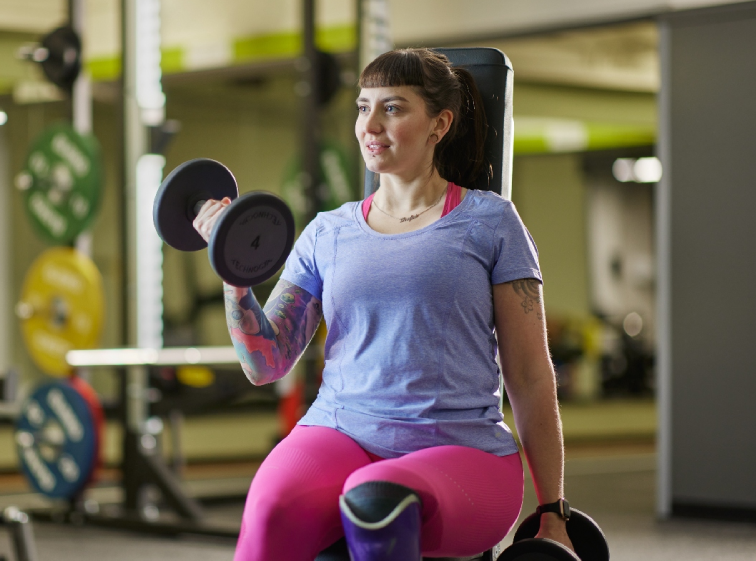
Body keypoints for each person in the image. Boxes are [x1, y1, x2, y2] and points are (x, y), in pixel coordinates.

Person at [193, 48, 573, 561]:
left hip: (462, 452)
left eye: (392, 108)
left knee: (377, 496)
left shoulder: (490, 223)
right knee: (270, 507)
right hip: (340, 430)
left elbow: (529, 375)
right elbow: (265, 364)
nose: (370, 124)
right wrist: (233, 275)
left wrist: (553, 509)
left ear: (439, 123)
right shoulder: (326, 232)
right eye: (362, 106)